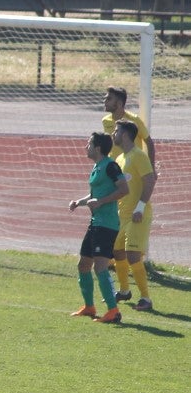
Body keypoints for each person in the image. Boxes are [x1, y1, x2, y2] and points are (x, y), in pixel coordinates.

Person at [67, 132, 127, 323]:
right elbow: (95, 194)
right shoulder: (97, 166)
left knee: (100, 267)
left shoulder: (110, 166)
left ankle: (113, 311)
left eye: (89, 143)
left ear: (98, 147)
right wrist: (79, 202)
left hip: (107, 225)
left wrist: (101, 202)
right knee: (83, 265)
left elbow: (124, 189)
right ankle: (89, 307)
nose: (86, 146)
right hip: (96, 223)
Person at [113, 120, 157, 312]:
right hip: (122, 215)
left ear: (124, 135)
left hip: (138, 214)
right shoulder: (120, 158)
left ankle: (146, 299)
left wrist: (140, 206)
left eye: (116, 130)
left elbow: (150, 180)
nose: (113, 134)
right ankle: (124, 291)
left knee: (132, 255)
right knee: (117, 252)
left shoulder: (138, 155)